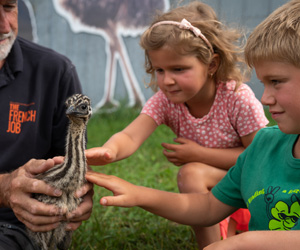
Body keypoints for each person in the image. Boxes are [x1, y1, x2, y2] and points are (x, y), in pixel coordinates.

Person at [86, 0, 300, 249]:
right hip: (231, 189)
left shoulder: (237, 98)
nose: (167, 80)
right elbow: (132, 136)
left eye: (276, 81)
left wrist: (246, 241)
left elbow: (253, 161)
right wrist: (122, 171)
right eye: (159, 70)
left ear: (211, 65)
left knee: (193, 172)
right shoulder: (266, 145)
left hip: (240, 188)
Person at [0, 1, 93, 249]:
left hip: (26, 227)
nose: (4, 25)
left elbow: (71, 164)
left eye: (8, 7)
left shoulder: (55, 72)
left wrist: (79, 192)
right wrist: (5, 189)